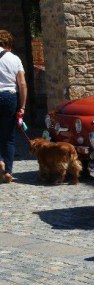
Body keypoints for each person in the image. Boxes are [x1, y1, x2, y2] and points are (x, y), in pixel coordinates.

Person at [0, 30, 27, 184]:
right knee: (8, 137)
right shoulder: (15, 58)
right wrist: (22, 106)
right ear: (8, 44)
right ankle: (8, 171)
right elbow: (22, 83)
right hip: (10, 96)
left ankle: (0, 161)